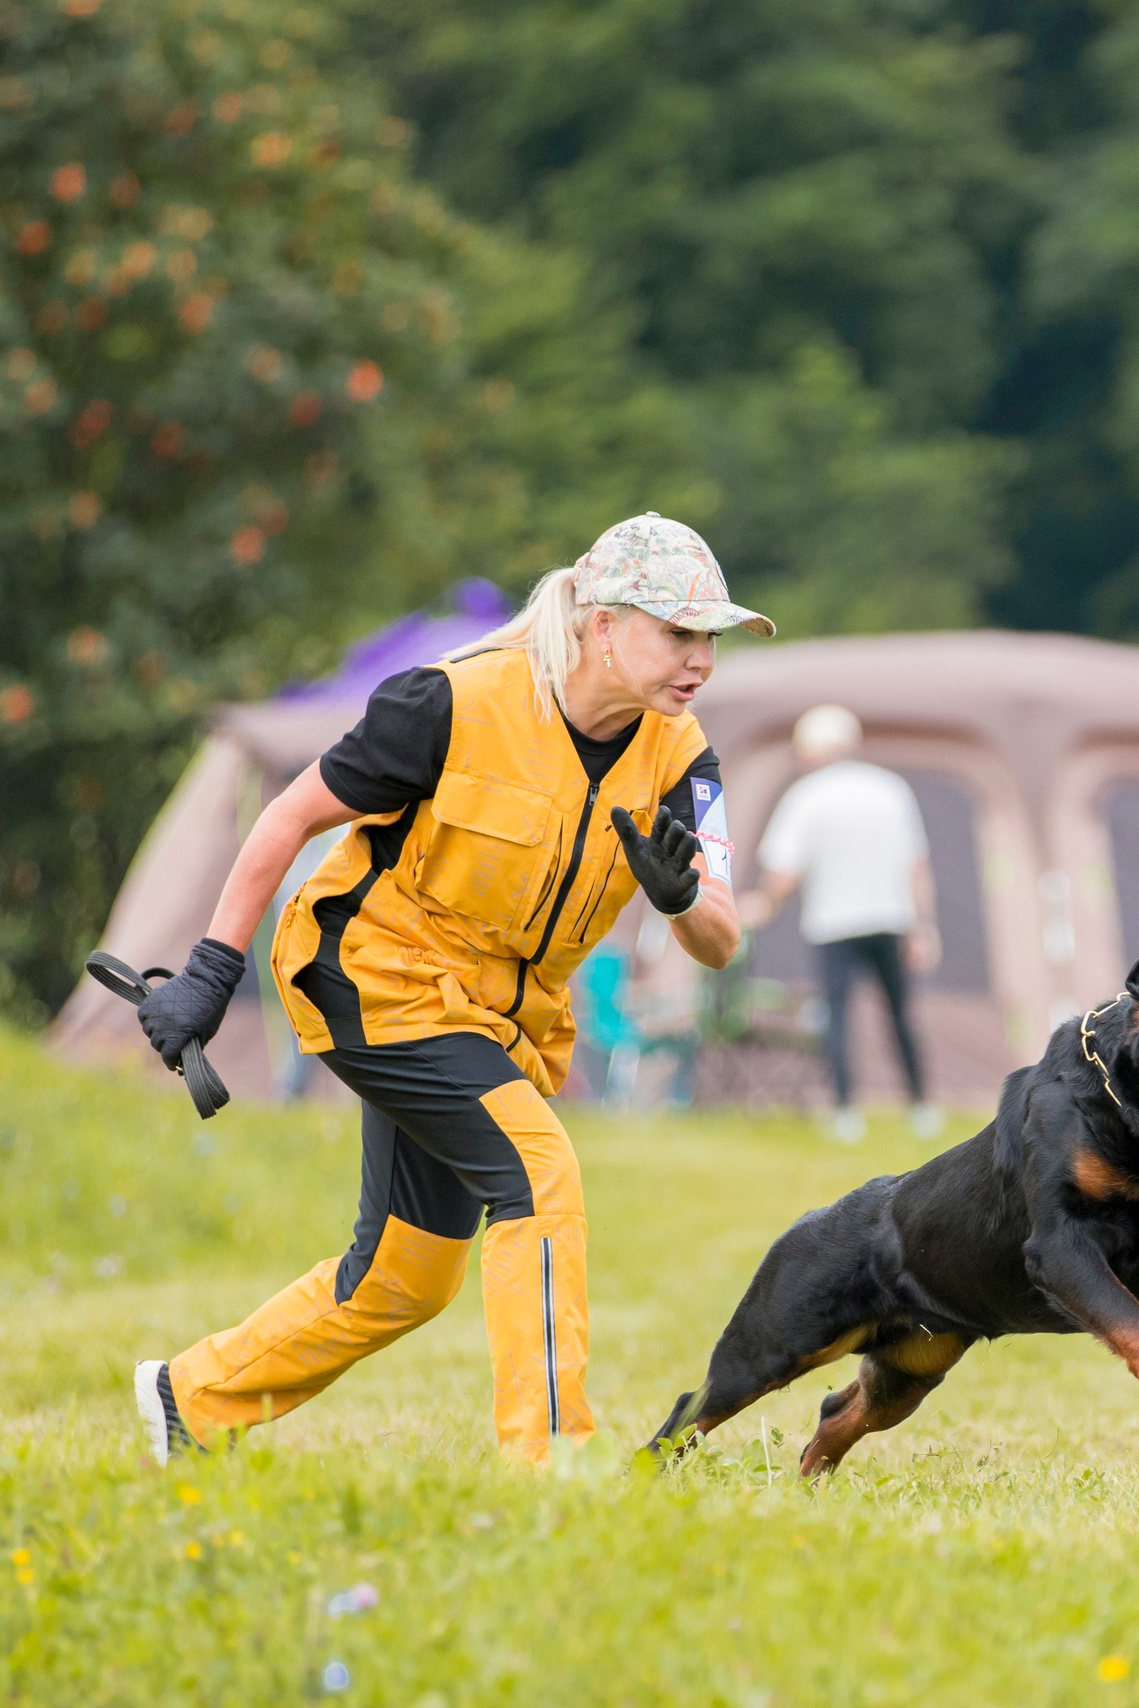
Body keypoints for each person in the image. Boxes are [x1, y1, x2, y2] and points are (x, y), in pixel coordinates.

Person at [127, 514, 768, 1467]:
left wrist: (680, 900)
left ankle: (192, 1399)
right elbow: (289, 816)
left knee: (406, 1275)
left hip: (491, 1021)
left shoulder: (682, 755)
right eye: (679, 633)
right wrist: (212, 972)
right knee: (538, 1177)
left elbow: (720, 937)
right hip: (373, 978)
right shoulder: (451, 703)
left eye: (709, 638)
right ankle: (553, 1465)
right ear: (602, 624)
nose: (700, 661)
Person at [743, 705, 941, 1142]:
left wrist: (763, 905)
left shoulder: (807, 795)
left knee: (837, 1017)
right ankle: (922, 1106)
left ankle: (845, 1111)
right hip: (891, 918)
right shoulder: (891, 789)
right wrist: (923, 924)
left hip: (833, 924)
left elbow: (782, 870)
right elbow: (916, 863)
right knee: (901, 1015)